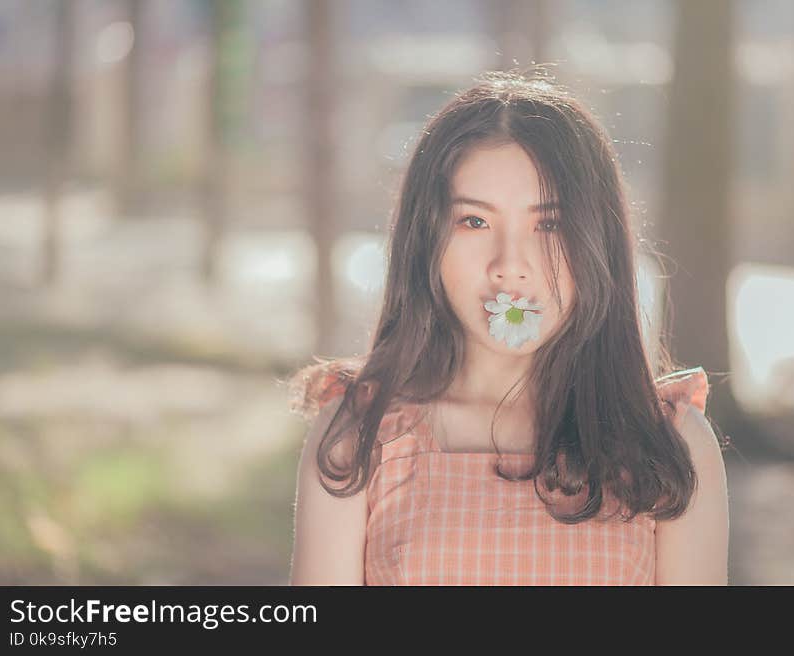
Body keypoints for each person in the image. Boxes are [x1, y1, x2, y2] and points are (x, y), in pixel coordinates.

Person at [287, 69, 730, 586]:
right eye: (474, 221)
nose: (510, 265)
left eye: (549, 224)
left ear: (597, 243)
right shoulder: (359, 436)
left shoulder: (668, 443)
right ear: (426, 242)